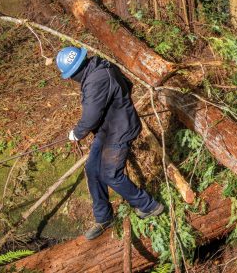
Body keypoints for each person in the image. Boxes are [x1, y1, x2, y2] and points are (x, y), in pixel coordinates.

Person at [56, 46, 164, 240]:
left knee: (110, 174)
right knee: (92, 169)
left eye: (71, 75)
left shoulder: (95, 80)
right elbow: (128, 85)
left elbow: (89, 118)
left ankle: (149, 206)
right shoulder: (101, 66)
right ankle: (104, 217)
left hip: (119, 131)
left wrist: (76, 133)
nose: (72, 79)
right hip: (107, 129)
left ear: (76, 72)